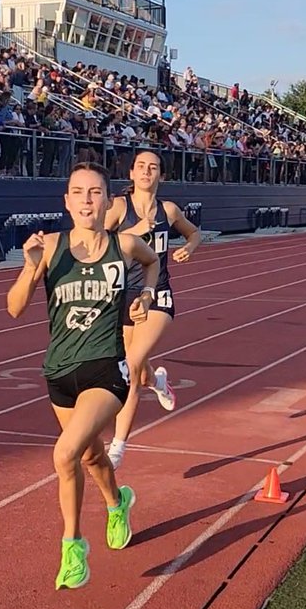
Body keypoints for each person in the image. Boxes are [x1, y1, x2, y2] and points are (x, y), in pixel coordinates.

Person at [6, 162, 160, 590]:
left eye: (95, 192)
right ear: (67, 201)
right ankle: (117, 503)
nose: (87, 200)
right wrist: (29, 267)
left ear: (108, 201)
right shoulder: (50, 246)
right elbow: (14, 308)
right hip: (59, 372)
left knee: (64, 454)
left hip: (106, 368)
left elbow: (152, 263)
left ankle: (73, 547)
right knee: (90, 457)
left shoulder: (124, 244)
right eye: (79, 192)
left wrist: (147, 296)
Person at [104, 148, 201, 469]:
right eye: (141, 166)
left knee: (130, 369)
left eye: (153, 167)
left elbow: (194, 232)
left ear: (161, 174)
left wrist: (189, 247)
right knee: (136, 363)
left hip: (157, 293)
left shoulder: (168, 210)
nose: (147, 171)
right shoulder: (120, 207)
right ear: (131, 173)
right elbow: (97, 242)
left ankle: (117, 447)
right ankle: (158, 381)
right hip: (122, 295)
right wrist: (134, 232)